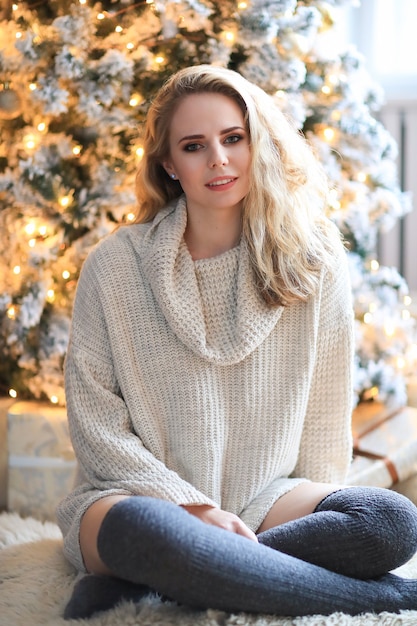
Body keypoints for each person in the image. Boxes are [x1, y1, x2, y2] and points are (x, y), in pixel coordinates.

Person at [58, 64, 417, 621]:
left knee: (390, 521)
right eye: (194, 146)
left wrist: (316, 513)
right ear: (169, 165)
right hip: (132, 497)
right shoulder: (115, 266)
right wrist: (191, 508)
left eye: (233, 138)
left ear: (259, 144)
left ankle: (173, 579)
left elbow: (324, 422)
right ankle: (390, 597)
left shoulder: (311, 260)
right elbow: (99, 432)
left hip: (265, 496)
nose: (218, 160)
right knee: (146, 530)